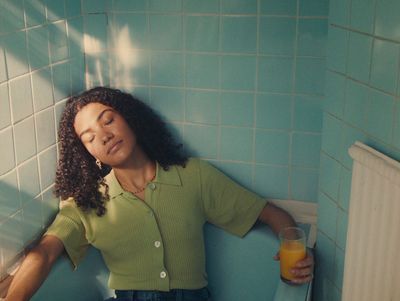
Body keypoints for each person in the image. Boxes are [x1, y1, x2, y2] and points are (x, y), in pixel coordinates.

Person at [4, 87, 314, 301]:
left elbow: (271, 214)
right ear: (90, 154)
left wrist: (293, 251)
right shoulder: (88, 202)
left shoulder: (193, 175)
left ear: (131, 120)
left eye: (109, 120)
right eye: (90, 137)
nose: (105, 136)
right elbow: (45, 252)